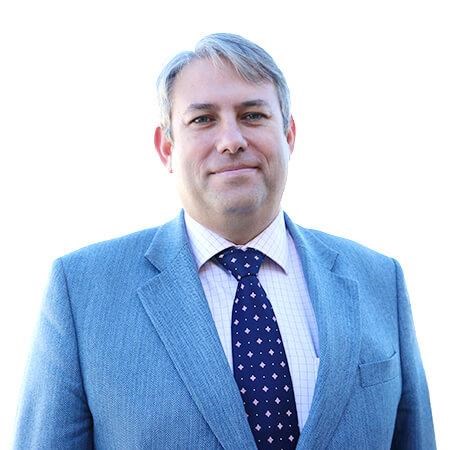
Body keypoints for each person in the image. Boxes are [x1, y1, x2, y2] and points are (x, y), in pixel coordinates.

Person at [14, 33, 435, 449]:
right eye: (203, 119)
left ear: (289, 135)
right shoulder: (82, 291)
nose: (232, 140)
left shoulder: (380, 280)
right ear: (166, 148)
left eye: (253, 115)